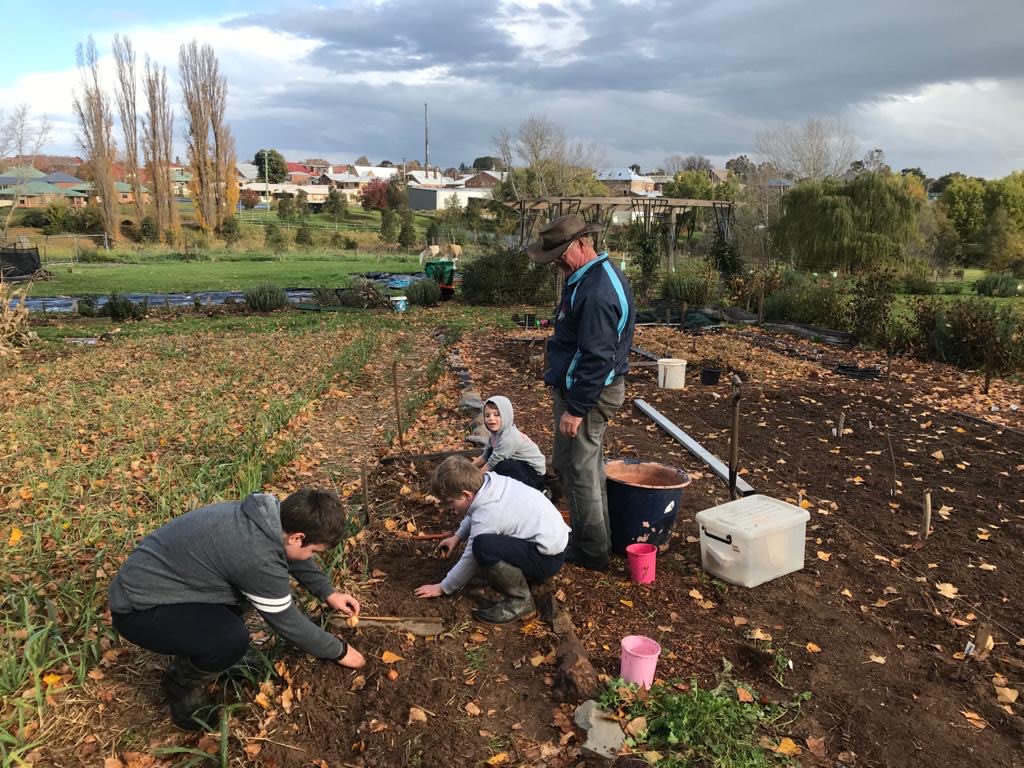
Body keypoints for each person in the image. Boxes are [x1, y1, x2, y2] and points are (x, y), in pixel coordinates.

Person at [108, 488, 365, 730]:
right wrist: (338, 650)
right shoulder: (254, 555)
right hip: (139, 608)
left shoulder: (269, 517)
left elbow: (289, 553)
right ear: (298, 537)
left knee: (234, 612)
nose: (312, 556)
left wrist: (328, 593)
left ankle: (210, 655)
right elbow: (287, 622)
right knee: (229, 639)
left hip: (167, 586)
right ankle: (181, 686)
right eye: (314, 551)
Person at [527, 214, 636, 572]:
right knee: (580, 465)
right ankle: (597, 537)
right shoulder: (585, 278)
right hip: (580, 391)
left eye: (560, 255)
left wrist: (575, 408)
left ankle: (591, 549)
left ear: (581, 244)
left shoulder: (598, 292)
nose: (557, 263)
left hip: (589, 395)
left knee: (580, 468)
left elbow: (597, 358)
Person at [414, 456, 569, 623]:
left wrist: (443, 587)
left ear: (466, 495)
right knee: (487, 544)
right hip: (550, 542)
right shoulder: (491, 483)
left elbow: (470, 558)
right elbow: (476, 510)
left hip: (546, 559)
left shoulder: (489, 513)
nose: (449, 508)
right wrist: (457, 537)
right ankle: (512, 576)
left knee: (483, 547)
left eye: (450, 502)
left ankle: (520, 600)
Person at [471, 395, 546, 491]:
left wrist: (475, 483)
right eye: (487, 415)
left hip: (534, 473)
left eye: (496, 414)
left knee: (502, 466)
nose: (491, 418)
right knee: (492, 454)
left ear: (506, 415)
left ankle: (535, 490)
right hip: (519, 464)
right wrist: (468, 469)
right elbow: (485, 456)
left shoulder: (509, 437)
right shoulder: (494, 435)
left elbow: (491, 463)